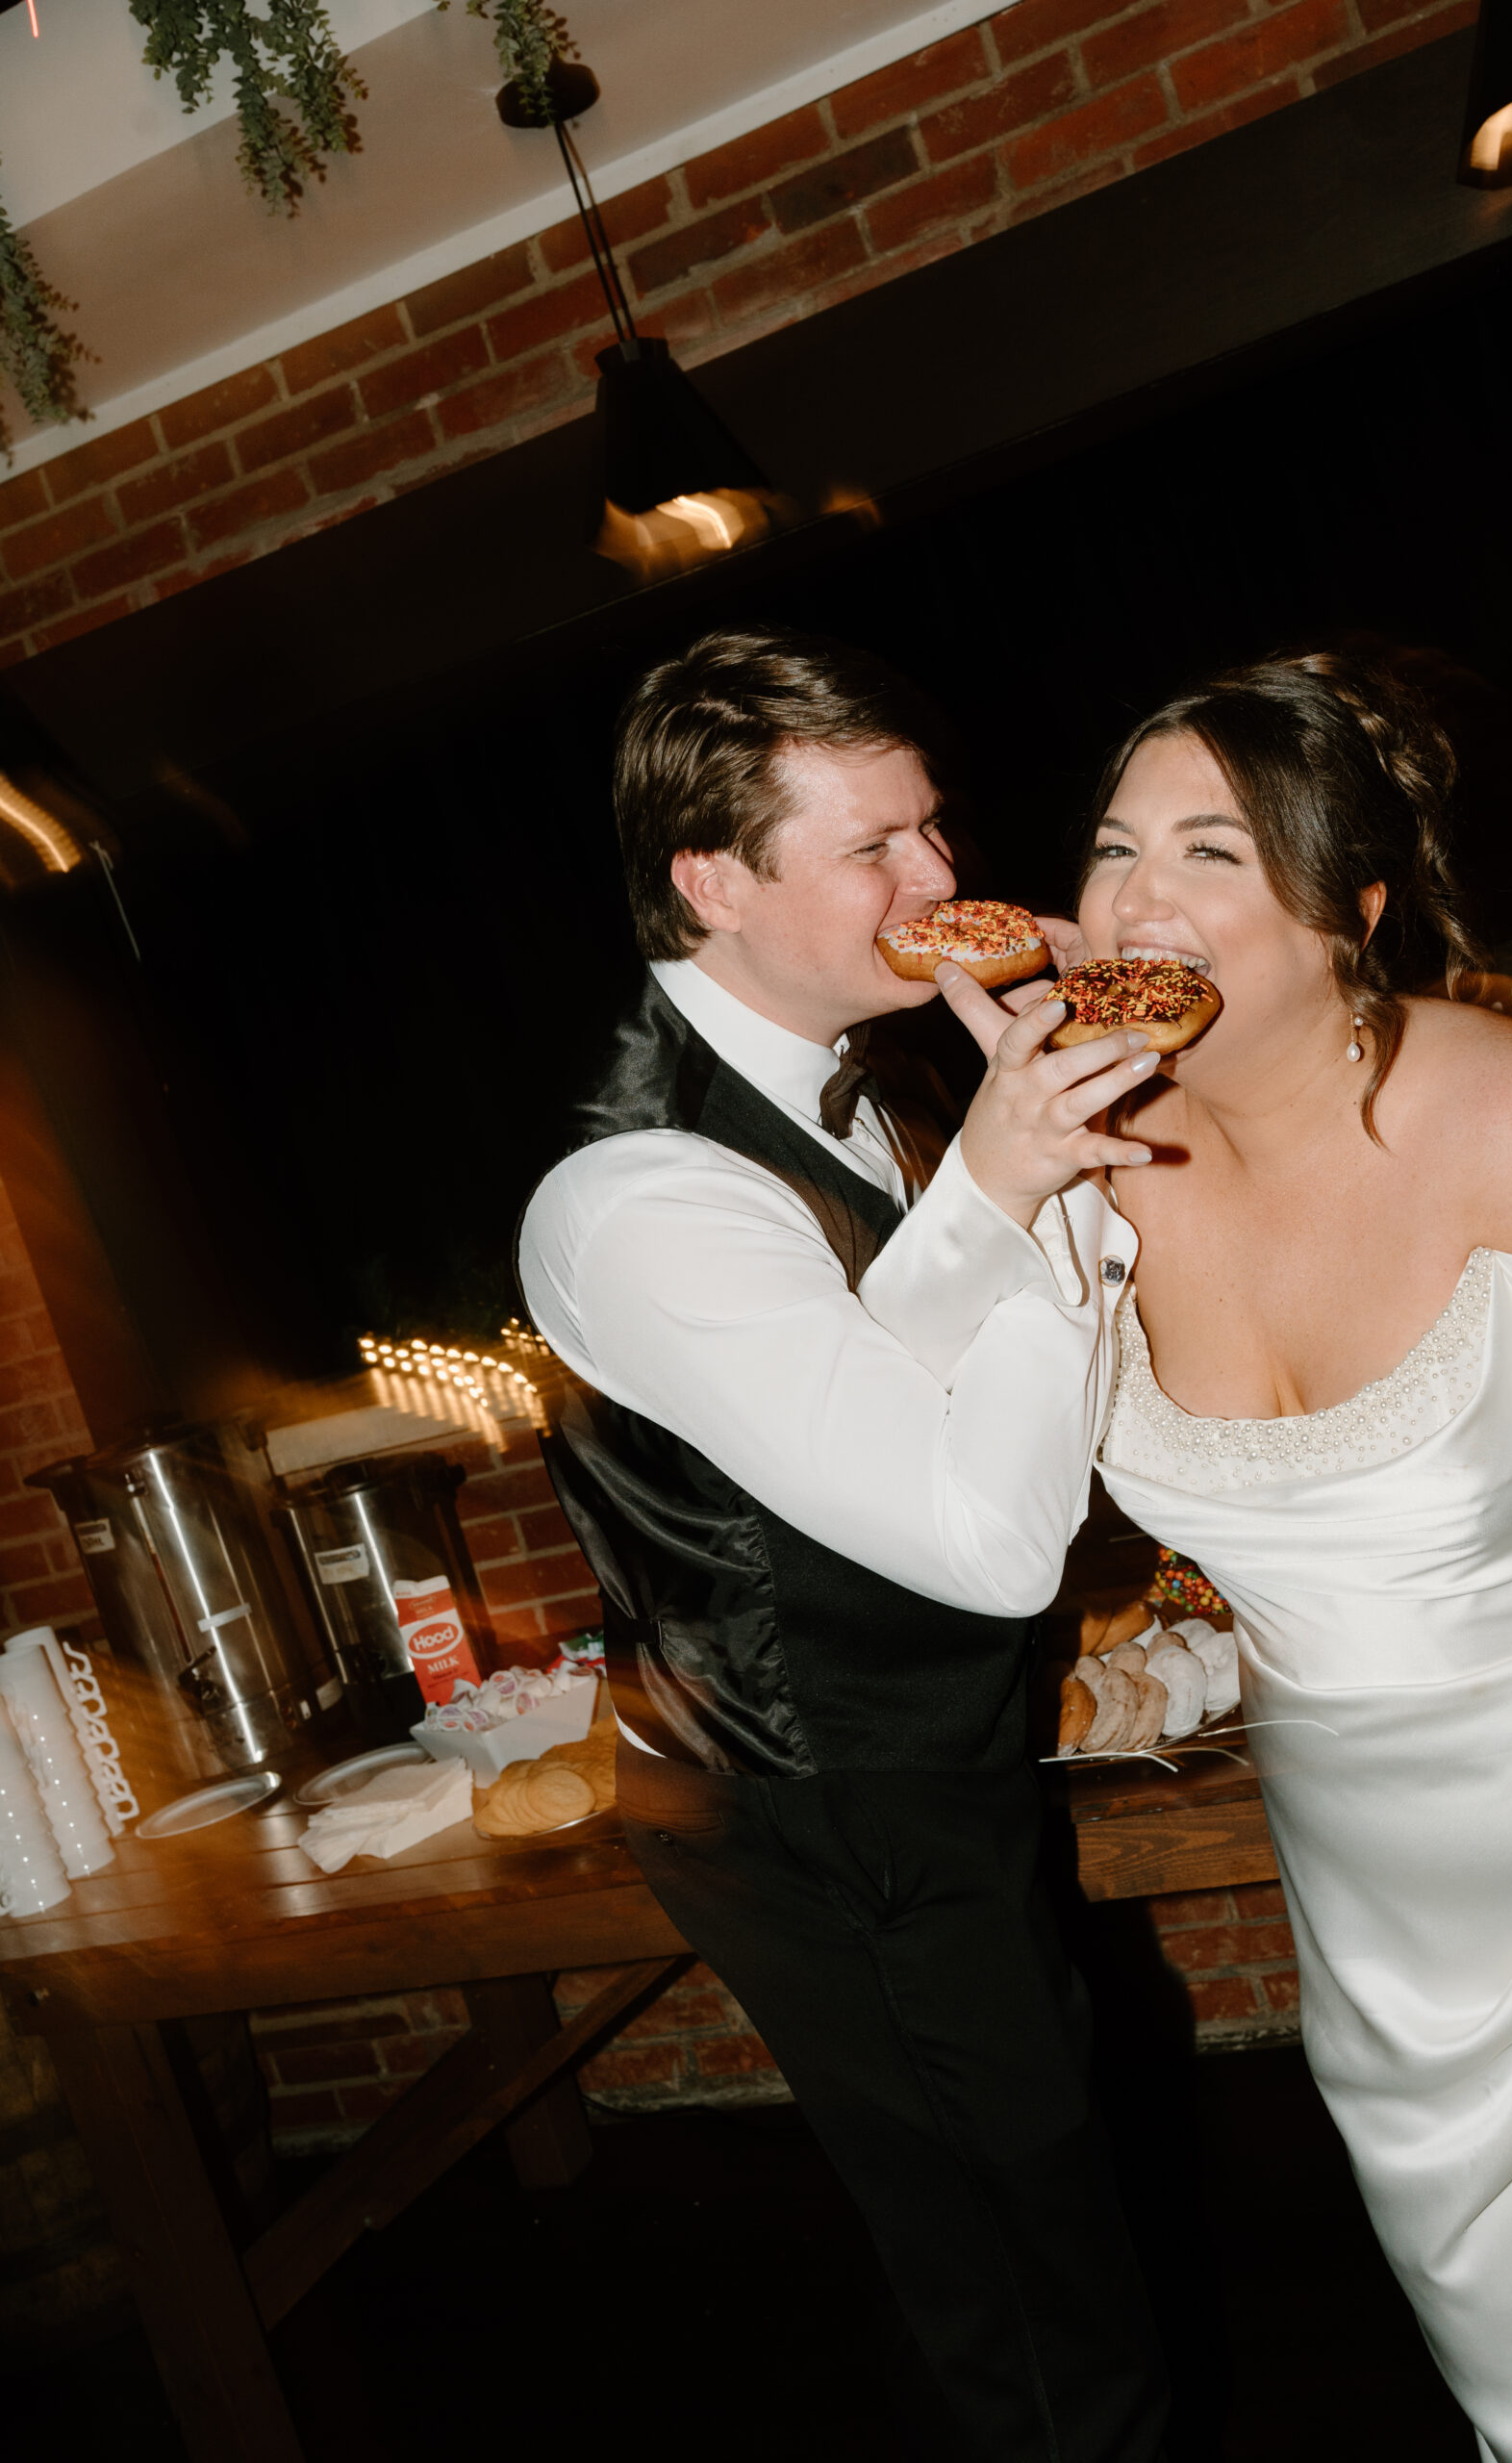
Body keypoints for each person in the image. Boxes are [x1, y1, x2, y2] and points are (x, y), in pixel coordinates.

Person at [942, 650, 1512, 2463]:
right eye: (1109, 850)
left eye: (1209, 853)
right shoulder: (1090, 1168)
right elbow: (942, 1498)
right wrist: (989, 1194)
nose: (1132, 897)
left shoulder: (1496, 1111)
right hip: (1393, 1948)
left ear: (1349, 915)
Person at [516, 626, 1171, 2463]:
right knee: (1040, 2299)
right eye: (874, 849)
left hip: (922, 1765)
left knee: (1024, 2235)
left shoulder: (868, 1072)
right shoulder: (637, 1191)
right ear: (709, 881)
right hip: (824, 1802)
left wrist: (1004, 1173)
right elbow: (985, 1542)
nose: (943, 883)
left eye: (935, 829)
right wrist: (1044, 1194)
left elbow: (886, 1356)